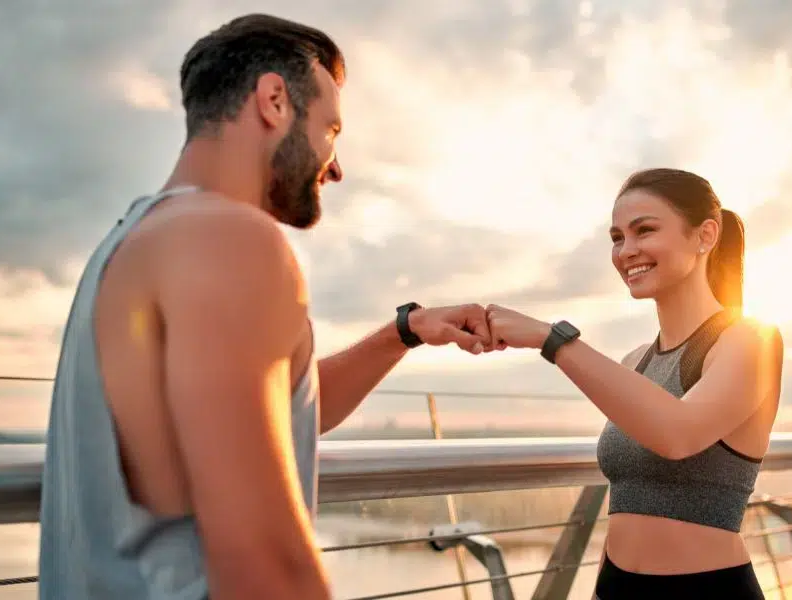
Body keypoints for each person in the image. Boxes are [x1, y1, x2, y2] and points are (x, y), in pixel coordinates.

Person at [38, 14, 493, 600]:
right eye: (331, 129)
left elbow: (276, 413)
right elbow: (269, 570)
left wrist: (403, 332)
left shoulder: (131, 243)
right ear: (274, 100)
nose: (336, 165)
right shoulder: (231, 237)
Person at [485, 168, 784, 598]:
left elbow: (678, 434)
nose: (627, 250)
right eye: (617, 237)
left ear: (705, 236)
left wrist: (550, 340)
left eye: (644, 230)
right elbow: (627, 494)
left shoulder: (751, 340)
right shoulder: (635, 362)